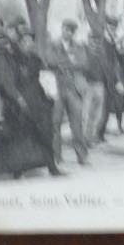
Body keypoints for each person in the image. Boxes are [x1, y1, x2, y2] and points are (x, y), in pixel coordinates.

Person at [0, 28, 62, 178]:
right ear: (19, 43)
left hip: (38, 100)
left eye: (31, 41)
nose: (29, 44)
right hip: (17, 103)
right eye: (25, 41)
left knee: (45, 133)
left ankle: (51, 166)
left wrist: (50, 93)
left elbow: (45, 77)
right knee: (19, 137)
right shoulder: (11, 60)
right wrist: (18, 99)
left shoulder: (36, 59)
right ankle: (17, 170)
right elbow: (8, 83)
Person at [45, 19, 90, 165]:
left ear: (73, 33)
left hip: (73, 88)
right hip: (57, 88)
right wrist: (70, 61)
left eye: (71, 31)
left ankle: (82, 156)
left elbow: (84, 63)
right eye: (66, 29)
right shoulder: (53, 44)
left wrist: (64, 63)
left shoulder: (79, 46)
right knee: (55, 122)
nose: (68, 33)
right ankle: (56, 156)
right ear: (62, 29)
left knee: (77, 124)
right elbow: (50, 61)